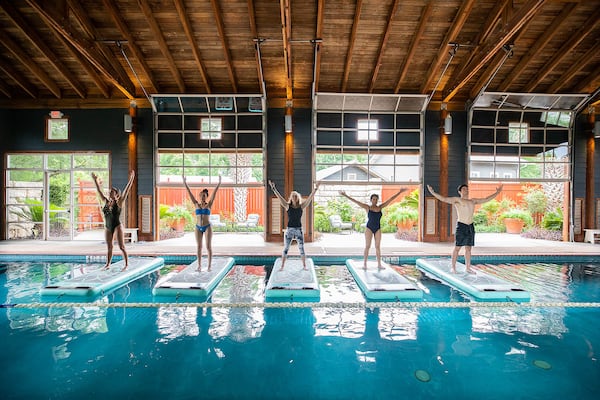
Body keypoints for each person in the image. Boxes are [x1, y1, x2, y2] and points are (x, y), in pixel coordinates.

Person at [427, 183, 502, 274]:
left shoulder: (472, 201)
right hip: (461, 225)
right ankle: (453, 267)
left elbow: (486, 199)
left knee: (468, 248)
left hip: (470, 226)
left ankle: (468, 268)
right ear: (460, 191)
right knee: (457, 248)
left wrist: (497, 192)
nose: (466, 190)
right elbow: (443, 199)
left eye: (467, 189)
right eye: (464, 189)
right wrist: (433, 192)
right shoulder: (457, 200)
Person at [339, 189, 406, 269]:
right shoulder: (367, 207)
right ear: (371, 200)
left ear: (377, 200)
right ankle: (364, 264)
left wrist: (400, 192)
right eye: (373, 199)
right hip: (369, 228)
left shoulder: (380, 207)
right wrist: (345, 195)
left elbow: (390, 200)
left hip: (377, 228)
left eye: (376, 199)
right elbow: (356, 202)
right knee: (367, 246)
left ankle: (379, 264)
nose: (375, 200)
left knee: (377, 246)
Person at [269, 180, 320, 270]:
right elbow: (280, 197)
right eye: (293, 196)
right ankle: (282, 266)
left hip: (299, 229)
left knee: (301, 249)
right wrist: (273, 188)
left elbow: (310, 198)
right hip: (289, 230)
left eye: (296, 196)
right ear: (291, 198)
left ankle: (304, 266)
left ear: (298, 198)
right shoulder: (287, 206)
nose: (294, 198)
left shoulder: (302, 206)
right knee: (286, 248)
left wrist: (315, 189)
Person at [91, 170, 135, 270]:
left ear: (116, 195)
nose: (109, 192)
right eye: (109, 191)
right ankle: (107, 265)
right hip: (108, 227)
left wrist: (131, 179)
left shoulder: (119, 202)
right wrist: (95, 180)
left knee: (121, 247)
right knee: (109, 247)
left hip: (117, 226)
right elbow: (99, 191)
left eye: (112, 192)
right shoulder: (105, 201)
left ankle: (126, 265)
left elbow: (127, 190)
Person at [183, 174, 222, 271]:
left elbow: (215, 193)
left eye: (204, 196)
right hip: (198, 227)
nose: (202, 197)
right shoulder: (196, 204)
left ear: (206, 197)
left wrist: (219, 183)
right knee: (199, 247)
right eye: (201, 195)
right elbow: (189, 192)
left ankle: (209, 266)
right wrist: (185, 183)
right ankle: (199, 266)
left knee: (208, 247)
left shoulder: (209, 204)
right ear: (199, 196)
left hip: (207, 226)